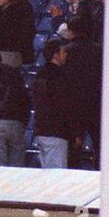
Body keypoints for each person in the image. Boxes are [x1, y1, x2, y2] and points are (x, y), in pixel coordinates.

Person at [31, 38, 71, 169]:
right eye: (63, 52)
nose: (66, 55)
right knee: (57, 175)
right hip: (56, 131)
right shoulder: (60, 77)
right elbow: (62, 105)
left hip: (41, 130)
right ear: (55, 55)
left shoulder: (39, 75)